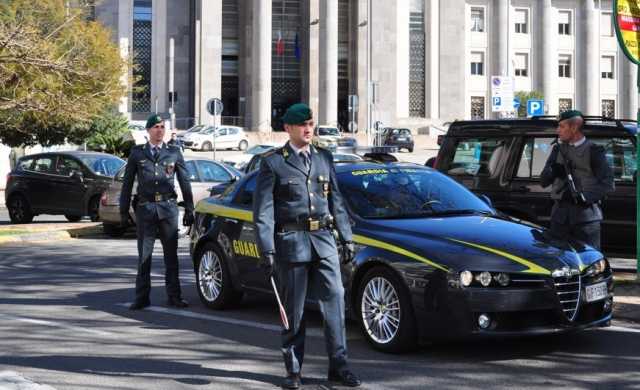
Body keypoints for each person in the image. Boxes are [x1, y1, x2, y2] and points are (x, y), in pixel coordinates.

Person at [253, 103, 361, 389]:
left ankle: (339, 366)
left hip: (323, 241)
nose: (308, 129)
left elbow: (336, 201)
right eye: (303, 125)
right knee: (295, 310)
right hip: (292, 242)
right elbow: (263, 211)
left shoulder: (324, 158)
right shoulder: (273, 162)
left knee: (335, 301)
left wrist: (346, 237)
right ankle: (293, 370)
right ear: (288, 128)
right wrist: (267, 249)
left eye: (311, 123)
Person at [120, 114, 195, 310]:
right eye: (155, 127)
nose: (159, 130)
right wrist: (123, 210)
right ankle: (142, 297)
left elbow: (185, 181)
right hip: (146, 210)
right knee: (144, 257)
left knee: (171, 257)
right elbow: (127, 183)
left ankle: (175, 296)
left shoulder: (174, 152)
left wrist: (189, 208)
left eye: (162, 127)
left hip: (168, 209)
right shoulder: (137, 153)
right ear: (148, 131)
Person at [540, 110, 614, 250]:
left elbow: (607, 183)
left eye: (562, 126)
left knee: (588, 259)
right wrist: (553, 171)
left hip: (586, 218)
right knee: (559, 260)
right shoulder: (558, 150)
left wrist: (585, 197)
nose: (558, 130)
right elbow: (543, 182)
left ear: (574, 128)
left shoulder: (594, 151)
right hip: (559, 218)